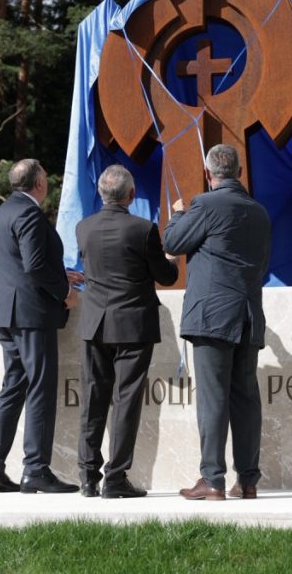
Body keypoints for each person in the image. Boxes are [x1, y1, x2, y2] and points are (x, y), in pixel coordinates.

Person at [163, 144, 271, 501]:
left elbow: (173, 242)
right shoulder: (258, 212)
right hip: (247, 315)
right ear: (238, 172)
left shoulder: (205, 205)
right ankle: (248, 480)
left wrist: (178, 214)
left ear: (209, 175)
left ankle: (212, 479)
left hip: (211, 317)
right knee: (245, 398)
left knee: (213, 400)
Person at [0, 159, 82, 494]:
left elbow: (20, 263)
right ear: (38, 184)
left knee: (14, 387)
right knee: (40, 388)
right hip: (31, 315)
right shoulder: (30, 214)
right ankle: (35, 469)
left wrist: (62, 274)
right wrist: (65, 292)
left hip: (8, 314)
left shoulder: (3, 212)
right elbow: (35, 267)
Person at [75, 165, 179, 499]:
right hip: (132, 325)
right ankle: (115, 479)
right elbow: (166, 276)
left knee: (93, 398)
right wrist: (172, 256)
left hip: (95, 323)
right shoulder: (142, 229)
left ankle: (88, 478)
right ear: (131, 195)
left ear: (102, 195)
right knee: (126, 401)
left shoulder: (83, 228)